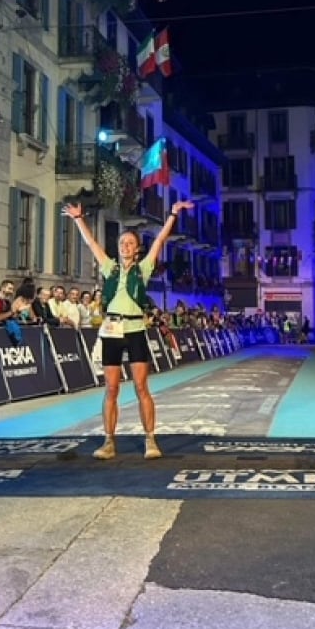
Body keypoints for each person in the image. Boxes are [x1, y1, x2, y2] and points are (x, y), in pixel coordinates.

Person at [62, 197, 194, 460]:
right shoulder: (109, 267)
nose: (124, 246)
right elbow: (91, 244)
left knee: (141, 387)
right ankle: (109, 442)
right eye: (122, 243)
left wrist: (173, 214)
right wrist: (79, 219)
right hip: (112, 330)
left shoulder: (144, 269)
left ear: (137, 250)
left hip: (135, 330)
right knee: (111, 388)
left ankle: (150, 440)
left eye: (130, 243)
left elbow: (159, 241)